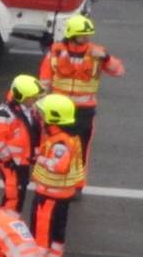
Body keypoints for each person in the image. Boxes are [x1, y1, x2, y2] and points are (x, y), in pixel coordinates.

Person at [38, 14, 124, 168]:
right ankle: (52, 174)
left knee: (81, 148)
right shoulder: (55, 52)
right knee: (52, 143)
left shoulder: (98, 53)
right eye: (82, 35)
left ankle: (77, 183)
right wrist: (40, 104)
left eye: (88, 35)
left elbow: (118, 71)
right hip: (59, 109)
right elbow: (45, 80)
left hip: (84, 110)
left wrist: (107, 58)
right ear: (71, 34)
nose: (86, 38)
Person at [31, 95, 84, 257]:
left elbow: (59, 167)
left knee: (43, 228)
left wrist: (39, 158)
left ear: (53, 117)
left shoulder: (60, 143)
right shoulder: (63, 138)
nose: (40, 116)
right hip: (59, 193)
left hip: (51, 194)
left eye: (43, 113)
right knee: (57, 229)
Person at [0, 75, 42, 213]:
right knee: (14, 195)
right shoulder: (4, 114)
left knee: (19, 191)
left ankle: (9, 220)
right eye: (32, 97)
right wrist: (7, 159)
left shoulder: (29, 110)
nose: (35, 100)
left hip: (21, 161)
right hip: (11, 163)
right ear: (22, 96)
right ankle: (6, 222)